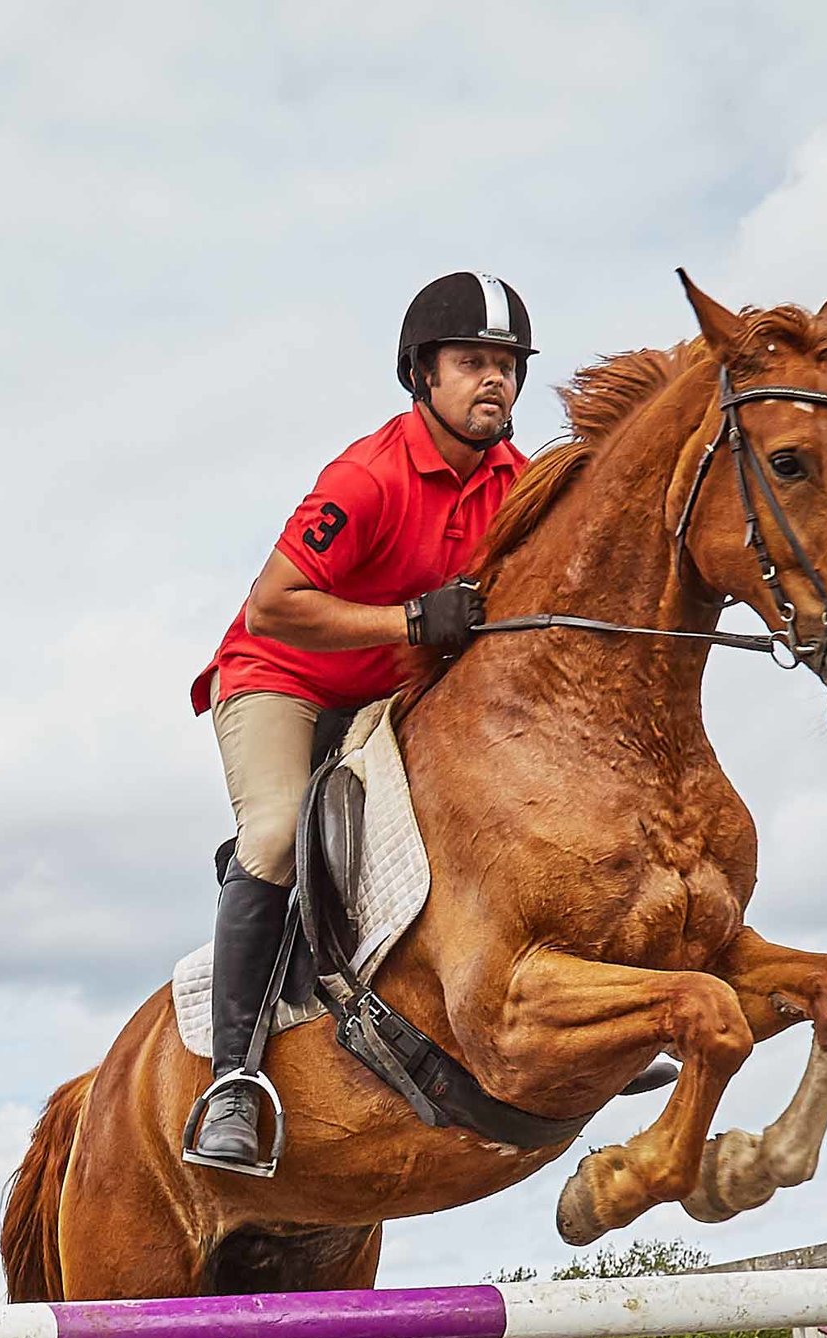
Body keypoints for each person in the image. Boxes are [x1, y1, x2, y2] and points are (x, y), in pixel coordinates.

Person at [182, 271, 535, 1172]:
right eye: (471, 363)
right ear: (423, 375)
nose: (492, 381)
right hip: (282, 679)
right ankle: (232, 1083)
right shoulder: (368, 476)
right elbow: (272, 607)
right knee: (272, 834)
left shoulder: (516, 481)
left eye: (506, 365)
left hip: (389, 693)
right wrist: (412, 622)